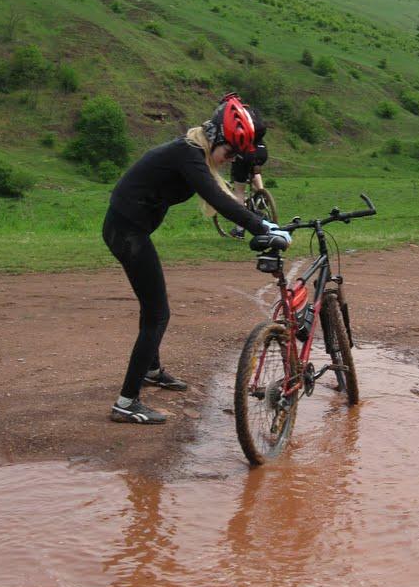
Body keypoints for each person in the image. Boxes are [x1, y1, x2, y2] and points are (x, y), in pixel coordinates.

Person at [102, 93, 291, 424]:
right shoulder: (187, 155)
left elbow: (218, 193)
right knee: (158, 314)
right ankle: (126, 402)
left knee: (152, 308)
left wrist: (260, 223)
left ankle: (152, 370)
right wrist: (261, 225)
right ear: (217, 138)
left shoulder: (192, 152)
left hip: (128, 230)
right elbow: (217, 198)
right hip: (126, 232)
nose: (232, 159)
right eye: (230, 151)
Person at [228, 106, 268, 239]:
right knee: (254, 167)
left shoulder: (233, 118)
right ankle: (261, 194)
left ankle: (239, 229)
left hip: (245, 153)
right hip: (262, 151)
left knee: (239, 191)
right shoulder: (254, 114)